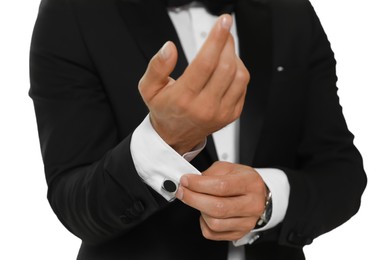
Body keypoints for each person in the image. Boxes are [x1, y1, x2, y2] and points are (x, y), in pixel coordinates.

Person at [29, 0, 367, 259]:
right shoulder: (73, 10)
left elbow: (342, 174)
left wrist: (269, 198)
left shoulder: (290, 10)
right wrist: (164, 140)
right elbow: (72, 202)